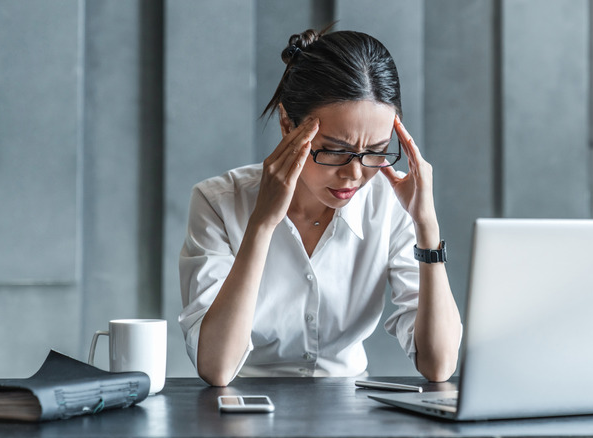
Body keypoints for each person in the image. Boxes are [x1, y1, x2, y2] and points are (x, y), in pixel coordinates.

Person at [179, 28, 462, 387]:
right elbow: (216, 369)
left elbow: (439, 365)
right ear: (288, 126)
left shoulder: (391, 205)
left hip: (352, 411)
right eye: (335, 150)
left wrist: (427, 226)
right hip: (245, 406)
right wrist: (262, 225)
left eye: (376, 151)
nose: (354, 174)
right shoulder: (218, 202)